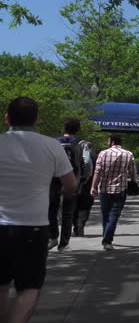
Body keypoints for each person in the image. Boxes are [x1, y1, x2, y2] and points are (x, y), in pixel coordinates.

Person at [0, 97, 77, 323]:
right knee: (29, 287)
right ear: (37, 119)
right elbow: (71, 184)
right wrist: (61, 195)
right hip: (33, 226)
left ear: (7, 118)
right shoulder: (51, 145)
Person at [49, 118, 90, 252]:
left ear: (64, 128)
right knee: (68, 213)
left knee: (51, 210)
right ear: (77, 129)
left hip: (54, 181)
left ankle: (53, 236)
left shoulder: (53, 142)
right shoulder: (81, 144)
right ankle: (64, 244)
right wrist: (84, 179)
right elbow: (87, 163)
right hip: (73, 181)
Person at [90, 134, 137, 251]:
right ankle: (107, 240)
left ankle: (106, 239)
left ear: (112, 142)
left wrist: (93, 187)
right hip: (120, 189)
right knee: (114, 215)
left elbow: (97, 172)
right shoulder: (128, 154)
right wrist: (134, 183)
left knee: (105, 215)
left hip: (104, 189)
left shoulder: (103, 153)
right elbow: (133, 172)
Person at [72, 143, 97, 237]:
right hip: (89, 184)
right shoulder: (95, 156)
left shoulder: (75, 154)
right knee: (85, 206)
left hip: (76, 182)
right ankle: (81, 224)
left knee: (74, 205)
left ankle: (76, 226)